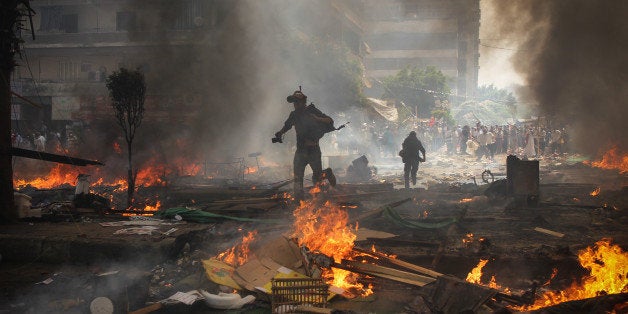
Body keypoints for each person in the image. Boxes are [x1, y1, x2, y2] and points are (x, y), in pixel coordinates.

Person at [274, 89, 336, 199]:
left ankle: (327, 174)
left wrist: (317, 118)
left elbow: (329, 120)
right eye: (294, 103)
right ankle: (298, 200)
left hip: (313, 150)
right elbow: (287, 125)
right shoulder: (294, 115)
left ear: (303, 102)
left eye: (297, 102)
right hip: (301, 150)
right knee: (298, 178)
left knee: (317, 178)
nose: (295, 105)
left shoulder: (312, 110)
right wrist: (280, 133)